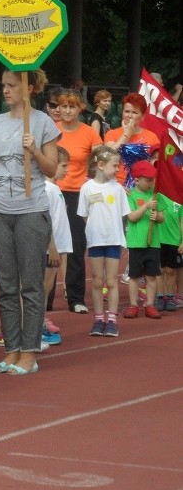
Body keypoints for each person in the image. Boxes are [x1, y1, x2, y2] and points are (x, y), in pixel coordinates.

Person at [0, 69, 60, 376]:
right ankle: (12, 349)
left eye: (11, 85)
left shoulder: (44, 123)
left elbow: (51, 169)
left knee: (30, 285)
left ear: (29, 88)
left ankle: (30, 353)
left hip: (31, 212)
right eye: (3, 85)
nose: (5, 90)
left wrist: (33, 148)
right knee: (6, 286)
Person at [55, 89, 102, 315]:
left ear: (80, 108)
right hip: (53, 191)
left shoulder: (89, 132)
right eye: (63, 106)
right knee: (46, 246)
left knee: (75, 245)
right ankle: (44, 299)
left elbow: (99, 159)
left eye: (71, 106)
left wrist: (91, 180)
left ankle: (75, 298)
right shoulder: (51, 129)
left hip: (77, 194)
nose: (67, 110)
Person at [77, 146, 129, 336]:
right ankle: (99, 319)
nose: (118, 169)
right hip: (96, 241)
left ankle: (113, 320)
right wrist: (95, 229)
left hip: (113, 240)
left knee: (111, 281)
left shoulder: (118, 189)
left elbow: (124, 215)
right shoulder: (86, 188)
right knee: (98, 281)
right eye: (115, 166)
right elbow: (84, 215)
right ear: (100, 165)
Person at [124, 161, 166, 319]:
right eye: (148, 180)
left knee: (151, 276)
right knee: (134, 275)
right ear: (137, 180)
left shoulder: (156, 195)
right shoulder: (131, 195)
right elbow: (132, 217)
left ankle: (150, 304)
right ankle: (133, 304)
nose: (152, 183)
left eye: (153, 179)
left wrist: (158, 216)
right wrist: (146, 207)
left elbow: (162, 217)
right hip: (136, 242)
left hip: (153, 242)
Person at [42, 147, 72, 343]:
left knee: (48, 285)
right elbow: (45, 220)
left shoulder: (55, 188)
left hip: (56, 246)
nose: (67, 170)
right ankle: (37, 324)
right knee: (43, 287)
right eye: (63, 165)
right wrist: (52, 247)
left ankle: (41, 321)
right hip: (48, 248)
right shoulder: (46, 189)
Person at [105, 93, 160, 186]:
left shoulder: (152, 137)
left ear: (142, 117)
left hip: (142, 188)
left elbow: (157, 166)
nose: (129, 116)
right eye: (127, 111)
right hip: (116, 185)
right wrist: (127, 133)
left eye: (134, 112)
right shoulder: (111, 134)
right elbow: (108, 156)